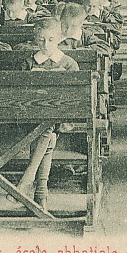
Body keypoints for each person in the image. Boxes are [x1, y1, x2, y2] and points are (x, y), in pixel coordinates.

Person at [16, 18, 80, 208]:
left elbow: (75, 99)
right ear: (35, 39)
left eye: (51, 40)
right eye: (41, 40)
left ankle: (28, 179)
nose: (45, 45)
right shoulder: (27, 63)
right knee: (48, 135)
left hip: (62, 117)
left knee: (48, 125)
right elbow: (18, 96)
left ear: (60, 38)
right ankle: (40, 193)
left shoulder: (69, 64)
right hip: (32, 117)